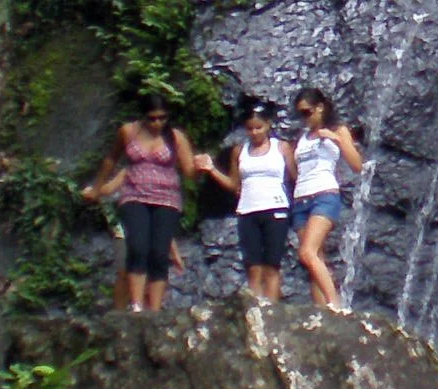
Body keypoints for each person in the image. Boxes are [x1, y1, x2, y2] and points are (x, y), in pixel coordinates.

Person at [83, 97, 200, 313]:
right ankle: (136, 305)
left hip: (166, 199)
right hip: (134, 195)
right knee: (137, 247)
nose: (157, 123)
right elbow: (111, 159)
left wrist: (202, 168)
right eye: (152, 119)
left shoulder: (175, 137)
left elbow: (189, 172)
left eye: (162, 118)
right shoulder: (128, 132)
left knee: (158, 252)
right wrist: (97, 188)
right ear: (143, 116)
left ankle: (154, 309)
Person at [201, 103, 293, 301]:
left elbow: (295, 176)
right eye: (250, 128)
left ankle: (271, 312)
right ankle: (255, 309)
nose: (254, 132)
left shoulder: (281, 147)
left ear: (268, 125)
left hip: (275, 209)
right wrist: (212, 169)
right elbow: (235, 186)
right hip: (247, 211)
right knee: (253, 266)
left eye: (258, 127)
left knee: (272, 265)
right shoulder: (239, 151)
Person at [290, 87, 365, 311]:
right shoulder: (302, 138)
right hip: (301, 199)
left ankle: (336, 305)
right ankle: (321, 313)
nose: (304, 118)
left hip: (324, 195)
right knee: (315, 261)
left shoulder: (338, 130)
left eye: (307, 112)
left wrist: (337, 140)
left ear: (320, 108)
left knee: (307, 252)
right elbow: (297, 170)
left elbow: (357, 165)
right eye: (300, 114)